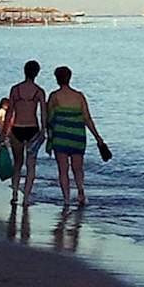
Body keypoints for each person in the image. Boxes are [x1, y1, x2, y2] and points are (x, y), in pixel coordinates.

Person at [41, 65, 110, 208]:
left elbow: (48, 118)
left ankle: (66, 199)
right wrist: (98, 138)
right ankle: (81, 193)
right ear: (70, 78)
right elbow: (87, 118)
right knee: (78, 168)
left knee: (63, 170)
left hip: (60, 137)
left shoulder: (54, 96)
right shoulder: (79, 96)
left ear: (57, 79)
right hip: (77, 136)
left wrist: (47, 133)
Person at [0, 61, 47, 202]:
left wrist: (3, 132)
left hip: (17, 128)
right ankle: (26, 198)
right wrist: (44, 130)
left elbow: (10, 112)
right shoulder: (39, 91)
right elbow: (43, 113)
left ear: (24, 71)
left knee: (17, 163)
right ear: (37, 73)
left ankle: (15, 194)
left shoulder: (15, 89)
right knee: (31, 165)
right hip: (32, 129)